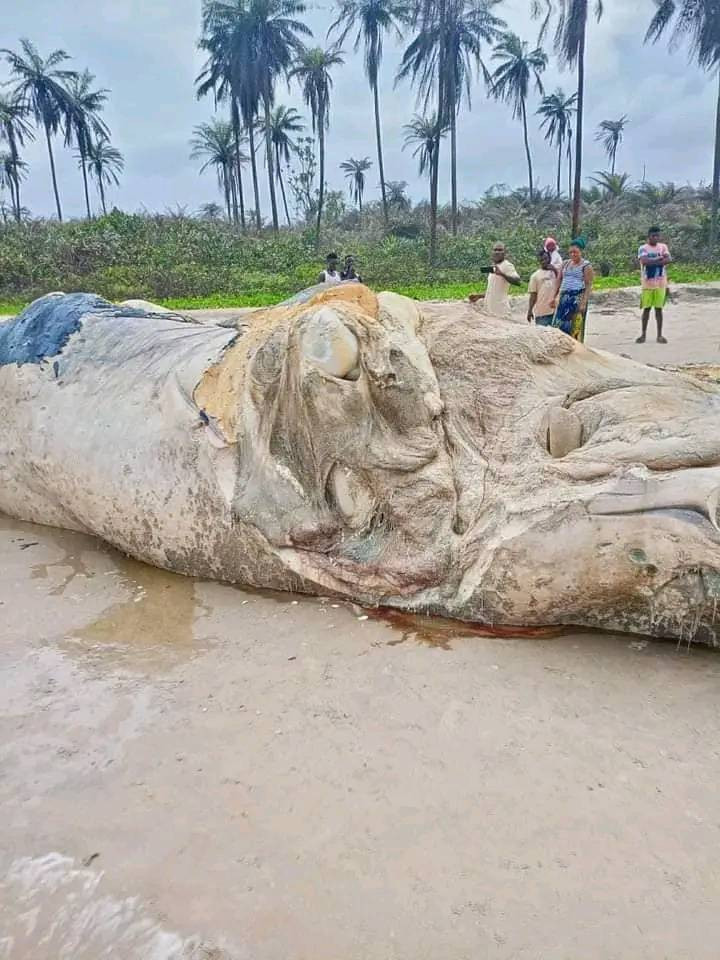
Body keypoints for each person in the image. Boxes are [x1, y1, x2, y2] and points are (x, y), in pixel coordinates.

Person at [551, 237, 594, 341]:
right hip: (564, 297)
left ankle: (576, 348)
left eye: (575, 252)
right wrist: (554, 296)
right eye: (570, 252)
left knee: (575, 326)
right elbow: (559, 280)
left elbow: (588, 285)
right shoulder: (565, 263)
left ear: (580, 251)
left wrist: (583, 302)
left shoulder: (586, 265)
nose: (573, 254)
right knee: (559, 323)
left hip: (577, 297)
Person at [468, 242, 521, 321]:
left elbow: (517, 281)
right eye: (495, 250)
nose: (497, 252)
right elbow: (494, 291)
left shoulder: (507, 265)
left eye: (500, 250)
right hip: (490, 312)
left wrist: (502, 274)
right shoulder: (494, 268)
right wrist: (479, 296)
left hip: (501, 312)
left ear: (505, 253)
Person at [636, 226, 671, 344]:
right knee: (646, 309)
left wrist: (653, 262)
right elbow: (644, 262)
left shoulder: (663, 247)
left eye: (657, 236)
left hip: (660, 283)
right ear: (648, 237)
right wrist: (660, 260)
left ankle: (659, 335)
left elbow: (668, 259)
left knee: (658, 309)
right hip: (647, 284)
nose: (655, 238)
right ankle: (643, 334)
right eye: (653, 236)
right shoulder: (643, 248)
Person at [527, 249, 558, 326]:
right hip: (542, 313)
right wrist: (530, 310)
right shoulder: (535, 276)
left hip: (556, 312)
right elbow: (533, 295)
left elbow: (561, 284)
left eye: (546, 259)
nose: (544, 261)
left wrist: (555, 270)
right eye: (541, 260)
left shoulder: (556, 272)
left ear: (549, 259)